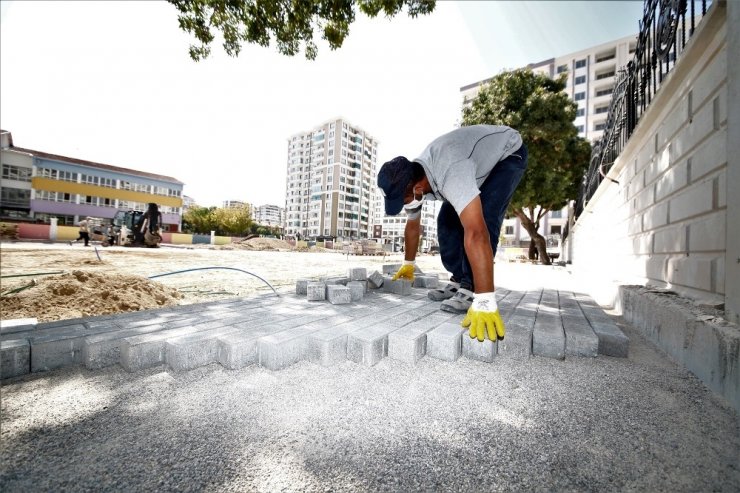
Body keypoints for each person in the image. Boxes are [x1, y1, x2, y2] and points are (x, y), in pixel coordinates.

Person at [377, 124, 528, 343]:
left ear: (417, 189)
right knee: (446, 221)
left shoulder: (451, 171)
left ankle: (473, 287)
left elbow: (476, 233)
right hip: (470, 164)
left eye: (404, 200)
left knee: (484, 216)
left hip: (507, 155)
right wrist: (408, 263)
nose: (404, 205)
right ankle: (459, 279)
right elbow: (412, 224)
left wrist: (485, 299)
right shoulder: (416, 176)